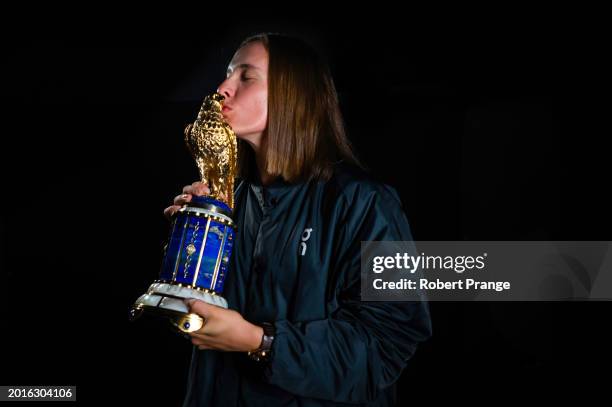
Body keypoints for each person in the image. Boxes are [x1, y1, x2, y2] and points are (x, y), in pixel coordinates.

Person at [163, 33, 432, 407]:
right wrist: (196, 240)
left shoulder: (365, 203)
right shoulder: (229, 201)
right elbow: (200, 316)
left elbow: (386, 347)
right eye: (227, 74)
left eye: (246, 76)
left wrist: (262, 342)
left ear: (293, 94)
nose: (223, 88)